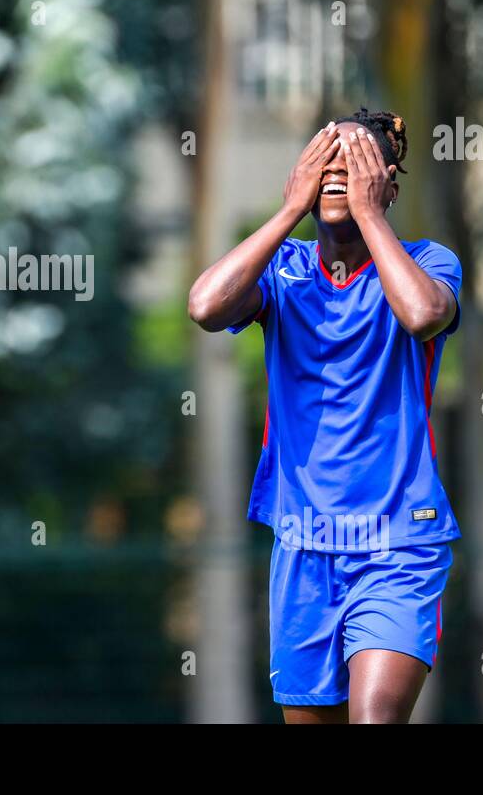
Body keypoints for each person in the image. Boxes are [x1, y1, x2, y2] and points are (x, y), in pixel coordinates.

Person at [188, 108, 461, 724]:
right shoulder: (283, 272)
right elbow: (206, 306)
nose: (339, 177)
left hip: (399, 544)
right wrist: (287, 212)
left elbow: (422, 315)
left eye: (358, 167)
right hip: (304, 548)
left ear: (390, 184)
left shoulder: (430, 262)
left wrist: (368, 213)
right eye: (326, 165)